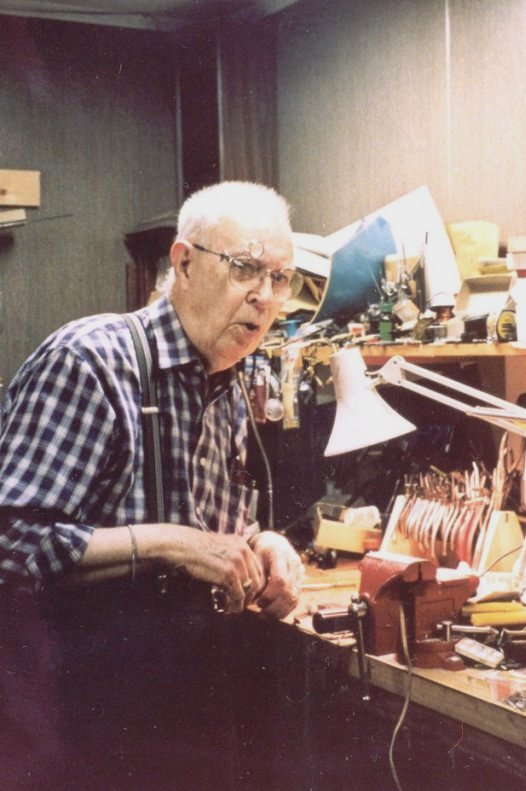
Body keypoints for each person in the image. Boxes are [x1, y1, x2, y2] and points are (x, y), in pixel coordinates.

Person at [0, 181, 305, 789]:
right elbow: (13, 542)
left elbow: (214, 529)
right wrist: (170, 543)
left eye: (280, 278)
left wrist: (262, 543)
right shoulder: (90, 361)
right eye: (246, 268)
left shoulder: (226, 383)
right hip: (81, 709)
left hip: (185, 694)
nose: (265, 296)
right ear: (183, 263)